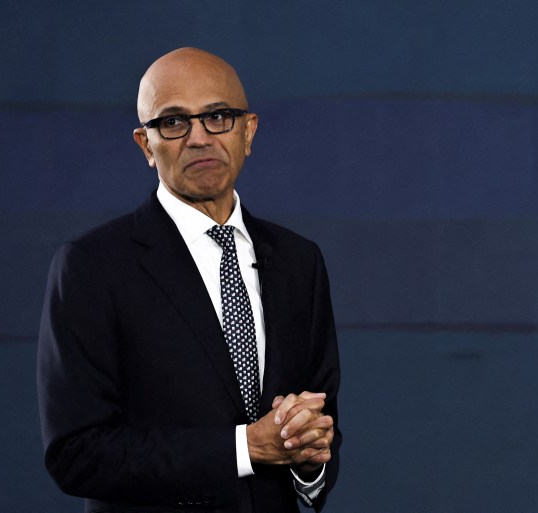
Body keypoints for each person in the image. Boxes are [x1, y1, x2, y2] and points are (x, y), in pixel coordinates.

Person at [37, 48, 341, 513]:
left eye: (218, 116)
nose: (199, 138)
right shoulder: (91, 267)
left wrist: (309, 458)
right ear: (146, 145)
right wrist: (245, 448)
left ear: (247, 132)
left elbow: (322, 419)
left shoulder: (299, 261)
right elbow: (77, 454)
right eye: (174, 122)